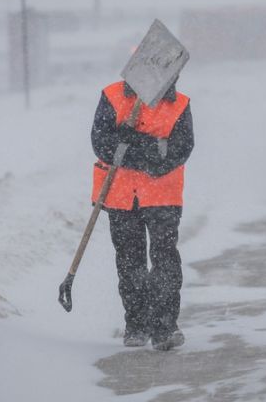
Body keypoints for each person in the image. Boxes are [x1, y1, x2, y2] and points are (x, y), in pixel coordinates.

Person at [90, 78, 194, 351]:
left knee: (164, 259)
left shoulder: (180, 104)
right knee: (129, 260)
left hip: (163, 196)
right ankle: (136, 324)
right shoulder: (112, 96)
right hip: (121, 196)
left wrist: (132, 146)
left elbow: (179, 150)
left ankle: (165, 327)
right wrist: (151, 149)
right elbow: (102, 143)